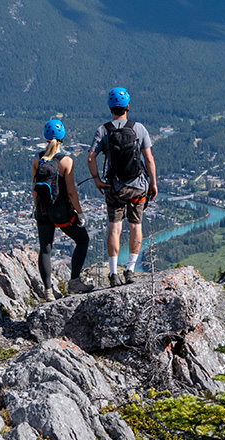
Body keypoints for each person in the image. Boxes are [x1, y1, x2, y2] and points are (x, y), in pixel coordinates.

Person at [86, 87, 157, 287]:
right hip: (138, 186)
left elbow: (90, 157)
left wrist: (97, 179)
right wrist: (153, 183)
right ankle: (130, 270)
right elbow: (149, 159)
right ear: (127, 106)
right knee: (136, 226)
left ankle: (112, 273)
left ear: (110, 108)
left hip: (114, 188)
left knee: (114, 228)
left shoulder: (103, 130)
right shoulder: (138, 128)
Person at [32, 119, 93, 297]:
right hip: (60, 212)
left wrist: (37, 208)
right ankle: (74, 282)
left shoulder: (37, 159)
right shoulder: (66, 161)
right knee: (82, 240)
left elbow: (34, 188)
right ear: (62, 138)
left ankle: (48, 291)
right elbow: (72, 192)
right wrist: (80, 213)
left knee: (45, 248)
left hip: (42, 210)